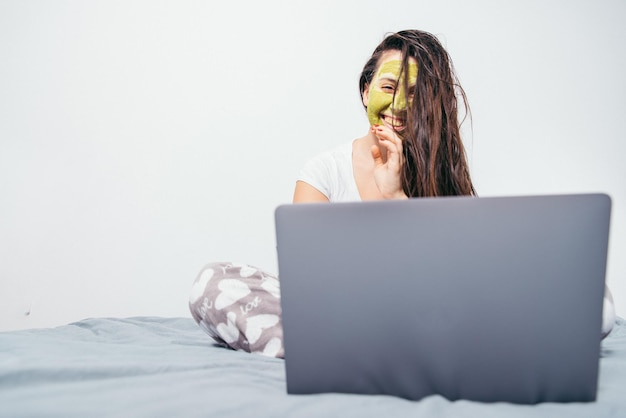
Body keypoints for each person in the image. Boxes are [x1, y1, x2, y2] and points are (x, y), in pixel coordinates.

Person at [188, 30, 616, 358]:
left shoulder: (442, 173)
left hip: (433, 317)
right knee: (212, 282)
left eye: (417, 95)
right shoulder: (324, 170)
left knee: (594, 301)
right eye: (389, 88)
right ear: (365, 92)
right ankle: (428, 353)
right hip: (346, 317)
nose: (399, 107)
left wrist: (395, 199)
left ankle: (365, 355)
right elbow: (305, 283)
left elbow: (464, 278)